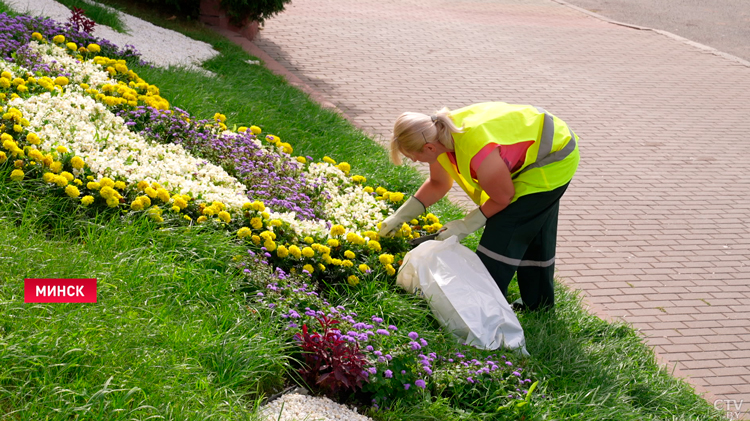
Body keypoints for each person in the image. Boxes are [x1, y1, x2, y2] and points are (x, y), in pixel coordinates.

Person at [379, 102, 579, 311]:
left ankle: (484, 311)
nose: (417, 161)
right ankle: (539, 305)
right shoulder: (439, 134)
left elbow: (503, 197)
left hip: (555, 157)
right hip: (545, 145)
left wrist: (465, 225)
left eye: (415, 158)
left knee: (504, 230)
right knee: (533, 229)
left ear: (428, 148)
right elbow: (438, 183)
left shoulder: (476, 148)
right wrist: (399, 216)